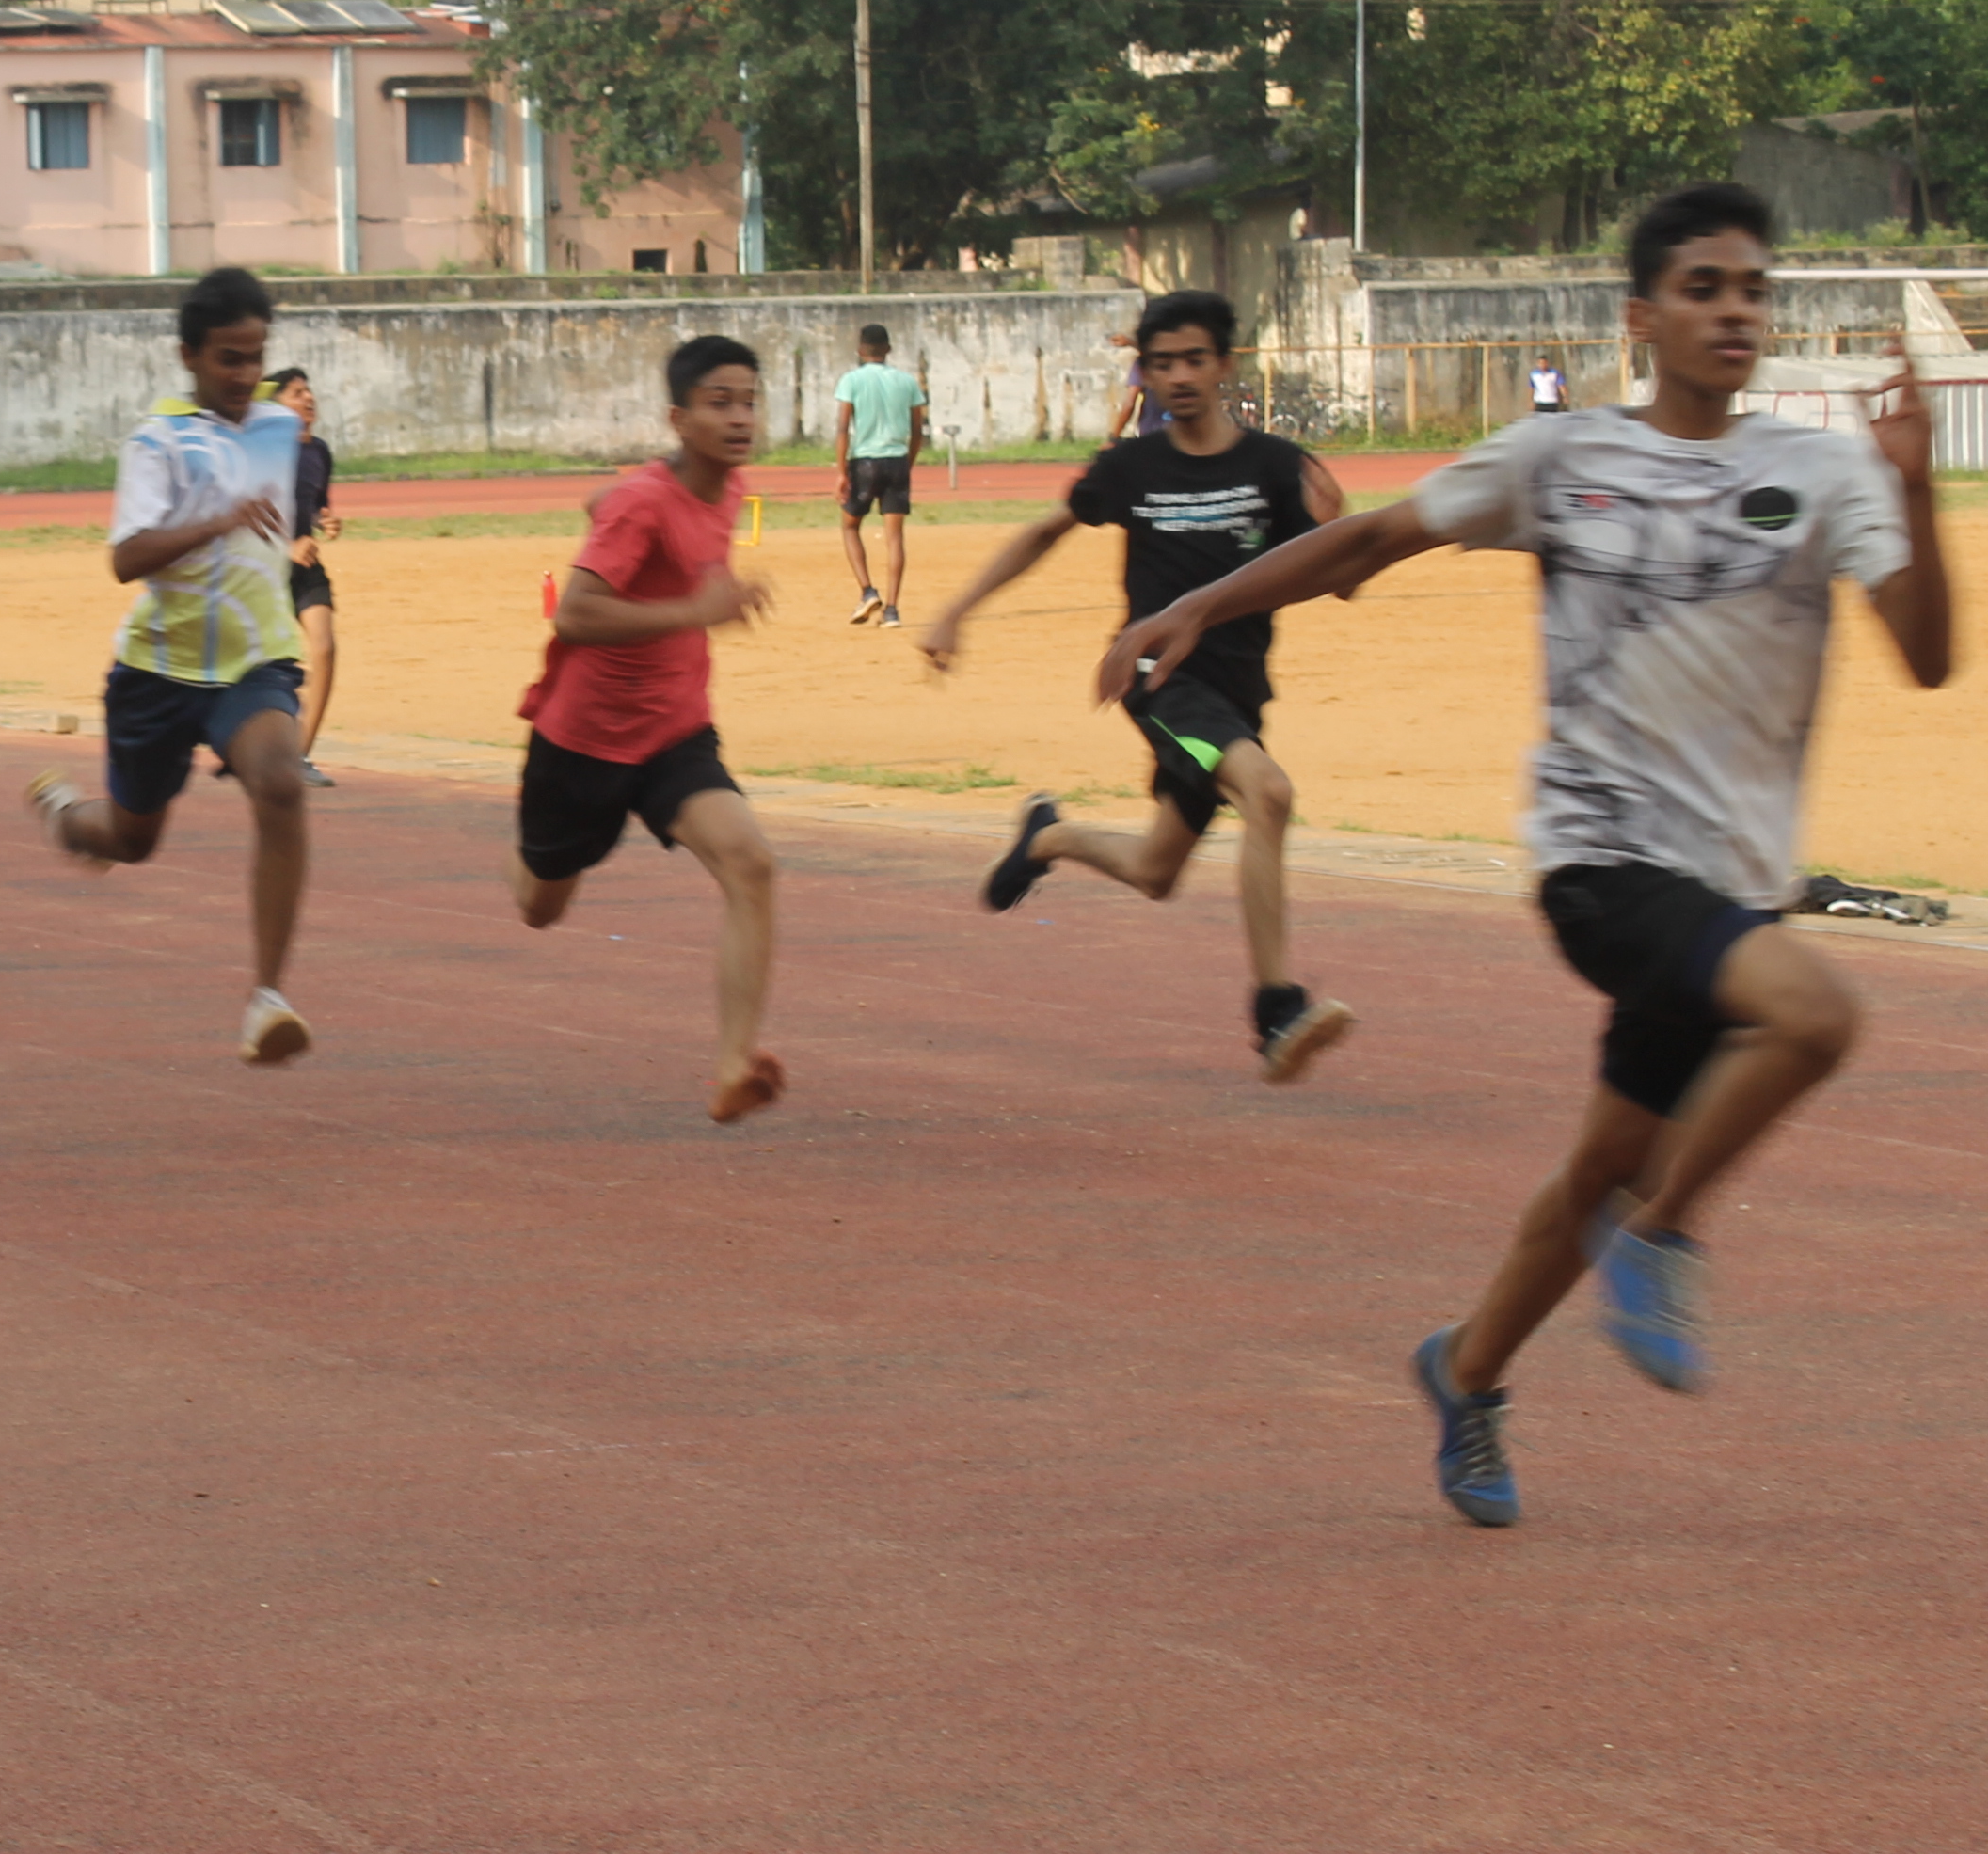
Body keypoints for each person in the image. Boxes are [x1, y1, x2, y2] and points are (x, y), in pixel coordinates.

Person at [1101, 182, 1951, 1529]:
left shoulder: (1824, 472)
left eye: (1753, 291)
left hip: (1727, 881)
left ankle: (1468, 1368)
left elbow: (1929, 655)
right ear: (1642, 317)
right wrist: (1200, 602)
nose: (1735, 310)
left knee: (1597, 1167)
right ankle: (1665, 1238)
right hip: (1600, 861)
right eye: (1705, 288)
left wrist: (1915, 489)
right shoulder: (1561, 462)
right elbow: (1372, 538)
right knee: (1819, 1011)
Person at [921, 290, 1360, 1084]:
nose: (1179, 376)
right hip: (1161, 683)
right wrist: (957, 610)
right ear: (1145, 374)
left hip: (1238, 693)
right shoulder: (1132, 467)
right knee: (1268, 793)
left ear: (1225, 365)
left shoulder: (1273, 465)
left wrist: (1339, 528)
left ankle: (1048, 836)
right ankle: (1277, 1010)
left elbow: (1338, 581)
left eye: (1194, 359)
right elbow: (1042, 534)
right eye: (1161, 364)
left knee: (1158, 872)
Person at [23, 266, 321, 1068]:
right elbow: (126, 559)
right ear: (188, 355)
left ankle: (267, 998)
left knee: (282, 784)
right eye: (228, 357)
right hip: (158, 671)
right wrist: (215, 520)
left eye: (256, 356)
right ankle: (64, 816)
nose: (245, 374)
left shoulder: (277, 429)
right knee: (130, 838)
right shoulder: (155, 441)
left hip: (254, 663)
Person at [509, 334, 791, 1124]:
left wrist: (612, 509)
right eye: (719, 403)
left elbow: (620, 508)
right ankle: (521, 853)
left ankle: (734, 1062)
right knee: (540, 903)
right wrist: (694, 612)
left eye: (749, 401)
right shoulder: (643, 502)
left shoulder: (726, 490)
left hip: (673, 732)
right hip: (582, 739)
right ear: (679, 417)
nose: (740, 419)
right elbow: (575, 611)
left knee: (752, 864)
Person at [265, 366, 345, 787]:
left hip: (305, 568)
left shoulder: (320, 452)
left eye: (309, 391)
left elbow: (314, 503)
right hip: (263, 570)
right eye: (296, 392)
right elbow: (246, 519)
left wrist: (324, 520)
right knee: (264, 664)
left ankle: (300, 756)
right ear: (276, 405)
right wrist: (285, 547)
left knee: (326, 648)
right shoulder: (265, 453)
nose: (308, 397)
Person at [834, 325, 927, 626]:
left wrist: (841, 473)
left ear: (860, 350)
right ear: (888, 349)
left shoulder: (852, 380)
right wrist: (907, 462)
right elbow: (917, 431)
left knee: (850, 526)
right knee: (895, 538)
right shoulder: (907, 381)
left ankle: (867, 590)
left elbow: (842, 428)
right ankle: (892, 610)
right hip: (897, 460)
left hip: (865, 462)